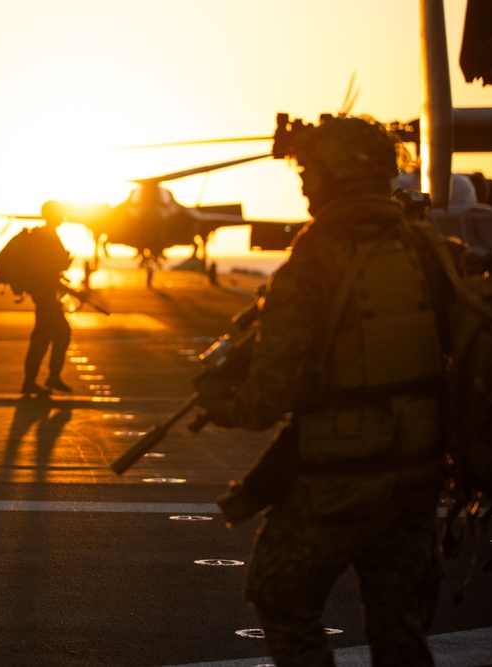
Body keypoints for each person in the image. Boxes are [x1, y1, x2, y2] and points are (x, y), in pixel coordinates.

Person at [195, 117, 449, 666]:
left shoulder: (312, 262)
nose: (305, 184)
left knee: (278, 594)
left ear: (340, 174)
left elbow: (267, 400)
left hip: (342, 473)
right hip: (420, 470)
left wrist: (221, 402)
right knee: (398, 621)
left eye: (311, 171)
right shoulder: (427, 248)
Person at [20, 200, 74, 397]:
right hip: (45, 295)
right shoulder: (46, 237)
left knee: (49, 336)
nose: (63, 216)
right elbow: (44, 270)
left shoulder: (48, 235)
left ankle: (40, 378)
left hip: (47, 293)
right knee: (51, 335)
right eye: (60, 213)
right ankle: (38, 379)